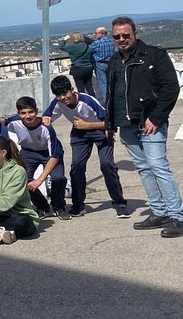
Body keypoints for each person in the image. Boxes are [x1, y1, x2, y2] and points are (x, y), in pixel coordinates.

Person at [105, 16, 183, 238]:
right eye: (117, 36)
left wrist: (156, 118)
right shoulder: (114, 61)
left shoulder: (153, 55)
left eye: (125, 35)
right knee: (144, 168)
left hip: (149, 122)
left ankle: (177, 217)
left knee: (158, 167)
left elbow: (170, 88)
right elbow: (112, 94)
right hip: (126, 124)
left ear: (135, 34)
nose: (121, 39)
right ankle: (159, 211)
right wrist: (109, 123)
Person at [43, 75, 127, 217]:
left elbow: (109, 122)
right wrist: (45, 118)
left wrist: (88, 125)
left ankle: (119, 202)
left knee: (107, 165)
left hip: (100, 131)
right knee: (76, 166)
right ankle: (78, 204)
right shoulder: (57, 103)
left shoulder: (87, 101)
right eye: (59, 95)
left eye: (65, 93)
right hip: (79, 134)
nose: (63, 98)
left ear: (72, 90)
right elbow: (47, 116)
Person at [5, 97, 69, 219]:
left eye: (31, 112)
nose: (27, 116)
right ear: (18, 113)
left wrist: (39, 180)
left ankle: (59, 206)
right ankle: (42, 206)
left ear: (37, 111)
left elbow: (54, 156)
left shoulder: (47, 128)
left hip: (49, 154)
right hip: (28, 152)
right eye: (23, 113)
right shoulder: (13, 122)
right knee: (22, 179)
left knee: (58, 178)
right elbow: (0, 126)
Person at [58, 32, 97, 97]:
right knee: (89, 86)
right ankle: (93, 101)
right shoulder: (88, 46)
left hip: (78, 68)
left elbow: (61, 46)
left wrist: (65, 39)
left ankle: (83, 102)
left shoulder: (72, 46)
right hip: (88, 67)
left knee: (80, 87)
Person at [89, 26, 115, 105]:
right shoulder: (111, 42)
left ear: (100, 34)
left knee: (103, 84)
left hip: (99, 64)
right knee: (111, 83)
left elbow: (88, 51)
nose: (95, 34)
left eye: (96, 33)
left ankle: (107, 102)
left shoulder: (96, 43)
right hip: (111, 63)